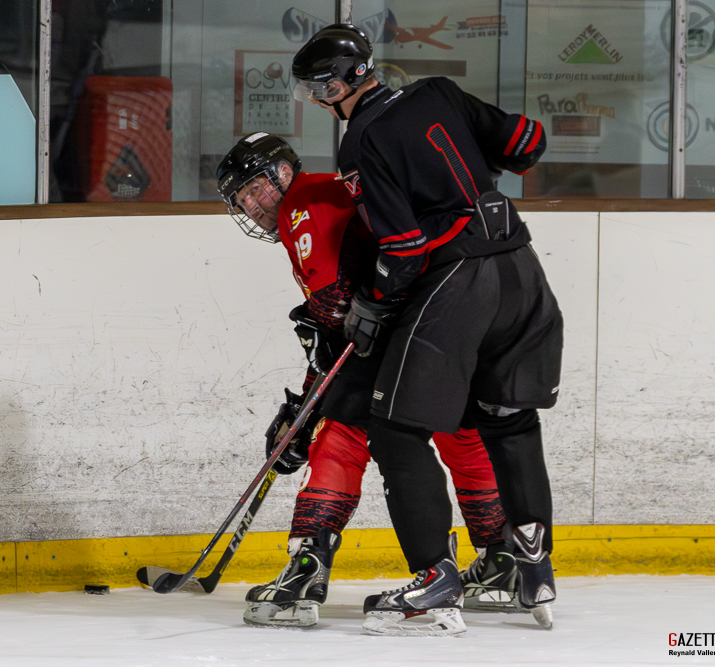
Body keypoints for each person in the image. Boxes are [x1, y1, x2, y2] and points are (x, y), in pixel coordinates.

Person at [292, 25, 562, 636]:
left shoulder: (361, 141)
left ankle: (436, 580)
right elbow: (527, 143)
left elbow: (404, 248)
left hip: (461, 282)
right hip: (522, 271)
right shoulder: (439, 91)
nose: (317, 100)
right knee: (508, 419)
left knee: (394, 426)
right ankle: (534, 568)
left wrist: (372, 305)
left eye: (318, 88)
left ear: (336, 86)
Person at [215, 133, 518, 632]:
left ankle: (307, 567)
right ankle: (503, 559)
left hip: (399, 330)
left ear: (284, 173)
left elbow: (335, 305)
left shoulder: (305, 203)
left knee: (341, 435)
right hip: (446, 320)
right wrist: (307, 397)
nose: (251, 205)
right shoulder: (328, 192)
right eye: (241, 199)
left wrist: (310, 405)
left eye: (254, 189)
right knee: (460, 434)